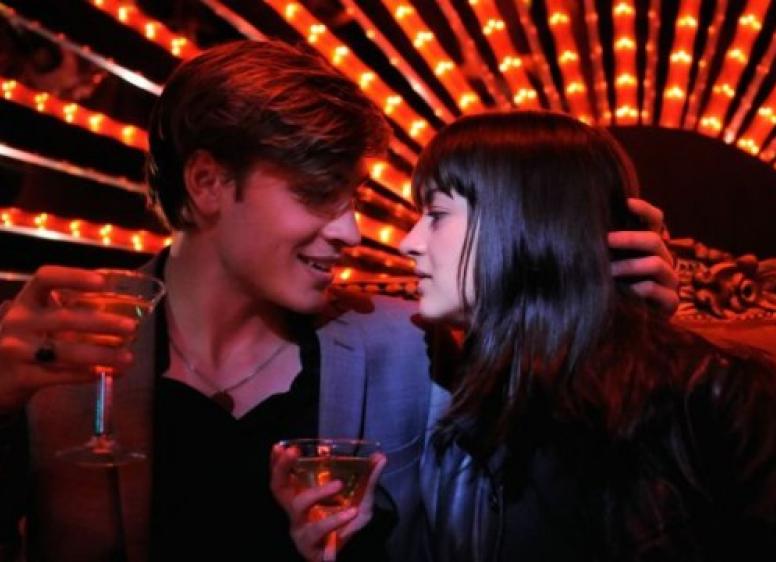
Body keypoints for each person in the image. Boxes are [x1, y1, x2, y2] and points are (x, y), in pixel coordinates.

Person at [0, 40, 677, 562]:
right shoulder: (60, 348)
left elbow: (552, 483)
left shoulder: (409, 340)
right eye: (318, 194)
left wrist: (617, 319)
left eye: (350, 198)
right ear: (208, 183)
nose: (352, 231)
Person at [393, 110, 776, 561]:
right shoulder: (467, 401)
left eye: (436, 214)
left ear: (531, 220)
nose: (408, 242)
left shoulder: (717, 393)